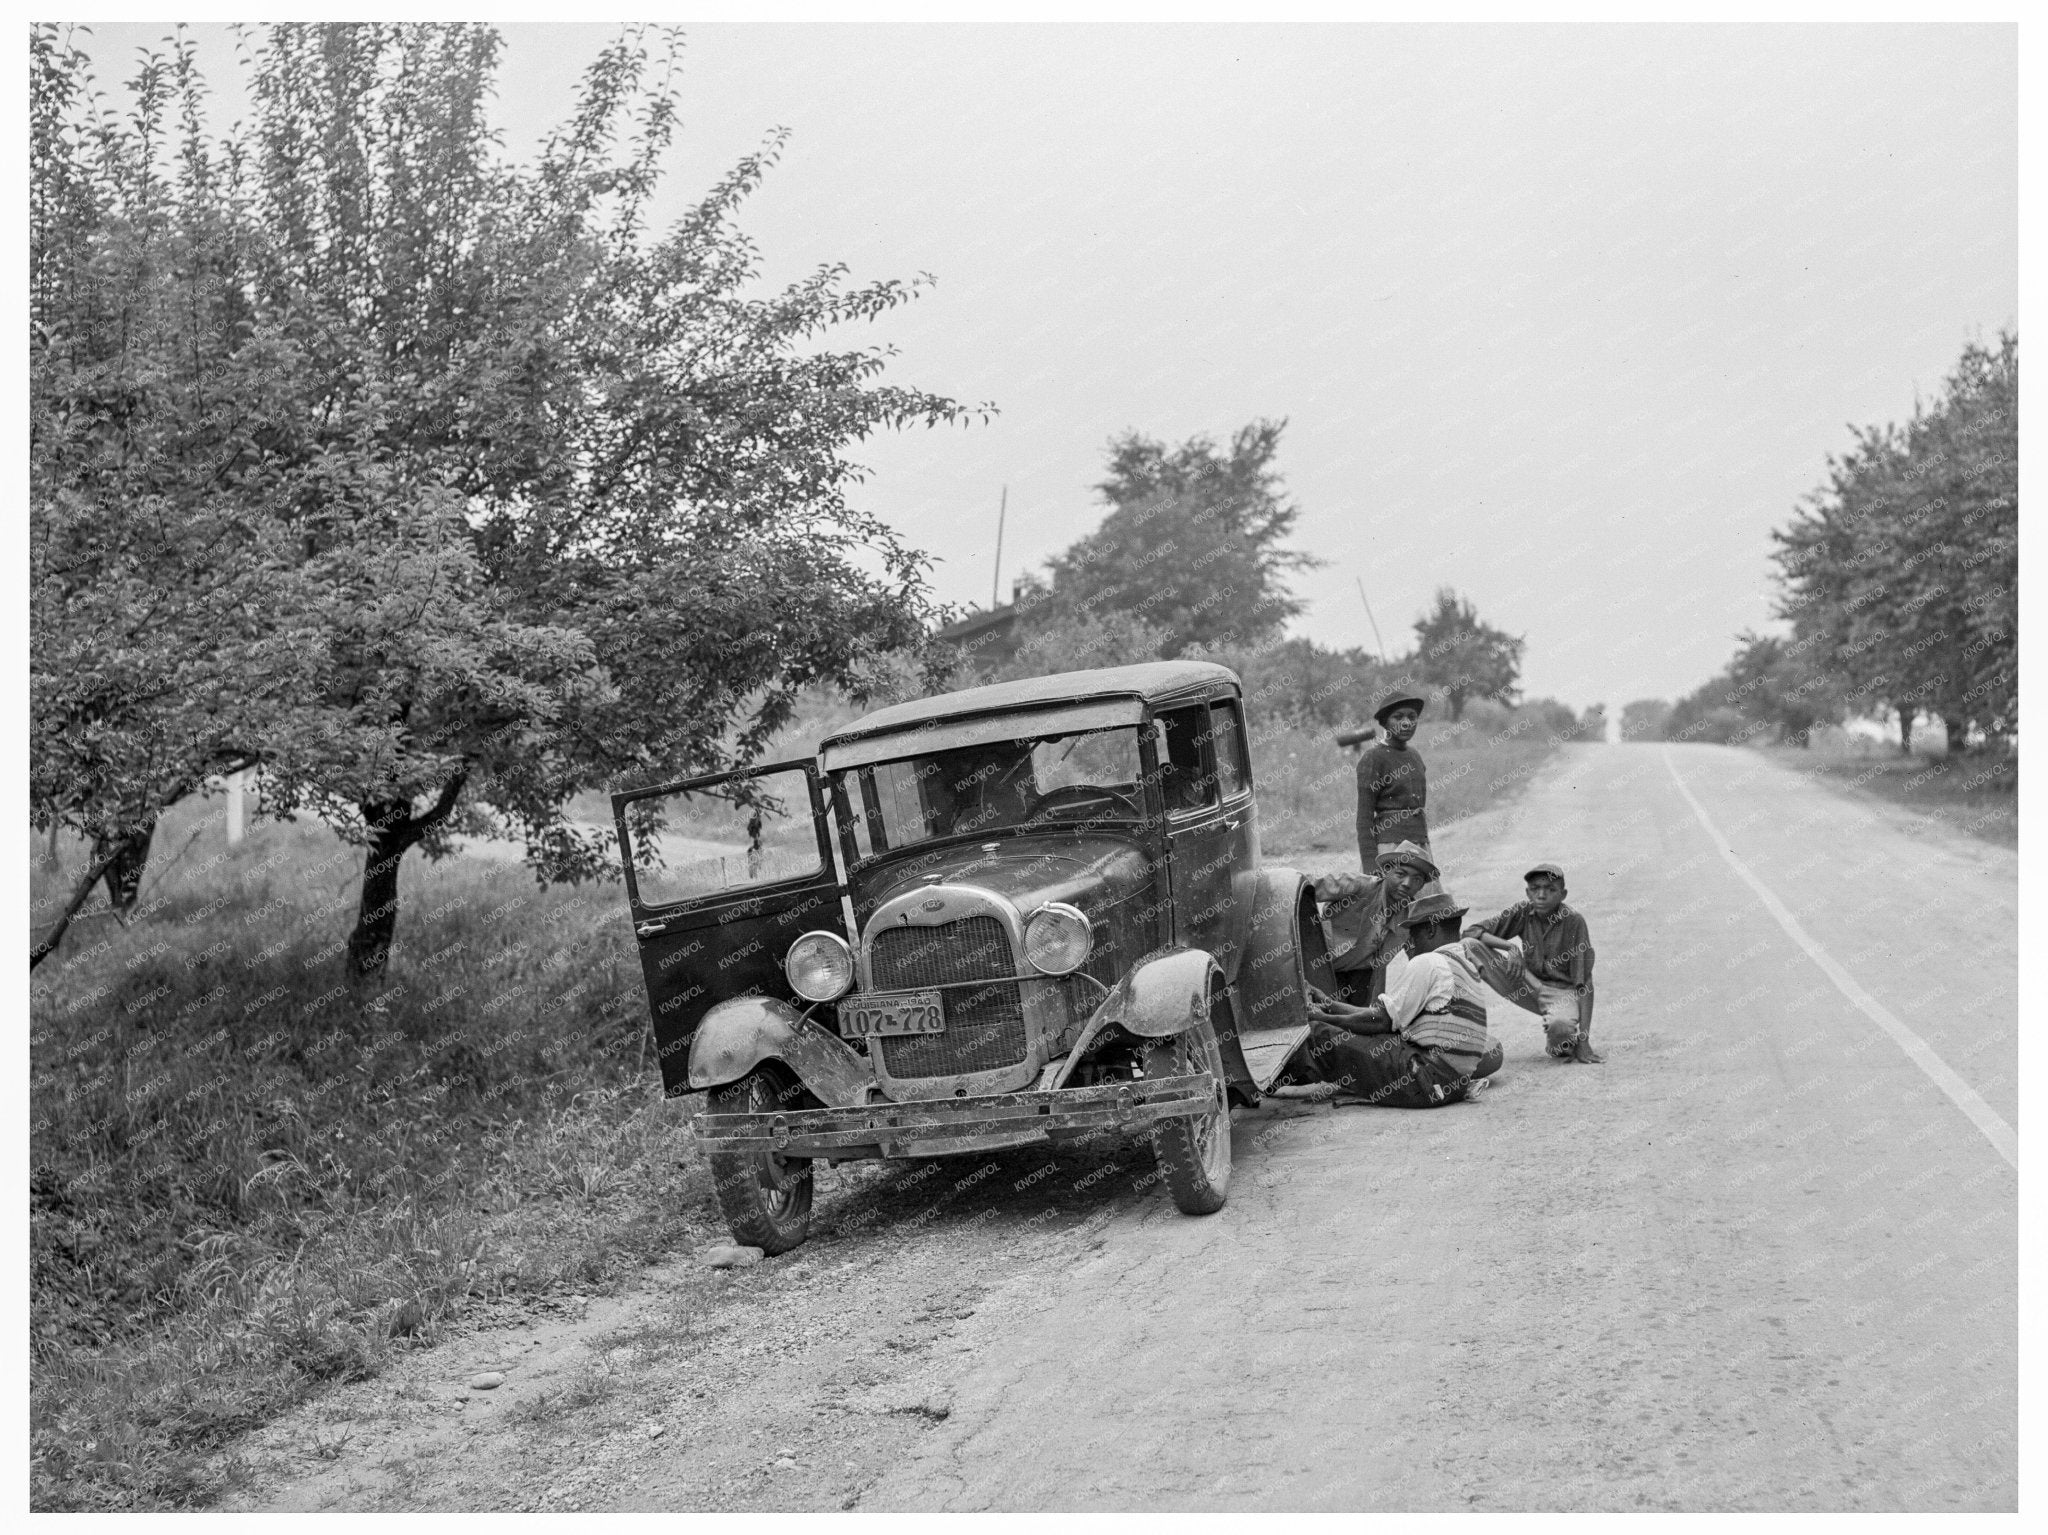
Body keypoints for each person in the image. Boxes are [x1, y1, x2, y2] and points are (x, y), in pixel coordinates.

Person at [1296, 882, 1505, 1108]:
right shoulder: (1463, 966)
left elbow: (1380, 1021)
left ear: (1431, 929)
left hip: (1424, 1080)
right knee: (1362, 1037)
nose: (1408, 944)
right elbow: (1382, 1016)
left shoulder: (1428, 962)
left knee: (1321, 1035)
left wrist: (1322, 1019)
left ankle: (1267, 1085)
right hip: (1450, 1084)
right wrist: (1327, 1003)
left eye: (1413, 935)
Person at [1464, 861, 1602, 1063]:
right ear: (1528, 893)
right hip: (1527, 985)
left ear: (1563, 895)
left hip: (1561, 993)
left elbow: (1585, 983)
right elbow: (1472, 932)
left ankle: (1559, 1032)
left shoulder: (1574, 921)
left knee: (1561, 1033)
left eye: (1550, 889)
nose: (1542, 895)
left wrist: (1584, 1039)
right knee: (1469, 945)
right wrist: (1511, 948)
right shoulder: (1523, 911)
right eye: (1535, 889)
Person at [1315, 839, 1438, 1006]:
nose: (1407, 884)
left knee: (1361, 1020)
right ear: (1386, 871)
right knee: (1331, 1018)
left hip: (1362, 976)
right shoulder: (1358, 885)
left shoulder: (1411, 916)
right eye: (1400, 874)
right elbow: (1306, 887)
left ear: (1422, 885)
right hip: (1321, 968)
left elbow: (1418, 960)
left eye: (1416, 879)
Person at [1355, 688, 1430, 867]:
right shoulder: (1373, 758)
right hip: (1389, 849)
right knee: (1392, 893)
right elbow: (1364, 818)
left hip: (1419, 847)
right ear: (1385, 722)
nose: (1406, 723)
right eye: (1398, 717)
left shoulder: (1415, 756)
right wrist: (1370, 864)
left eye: (1412, 717)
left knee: (1425, 895)